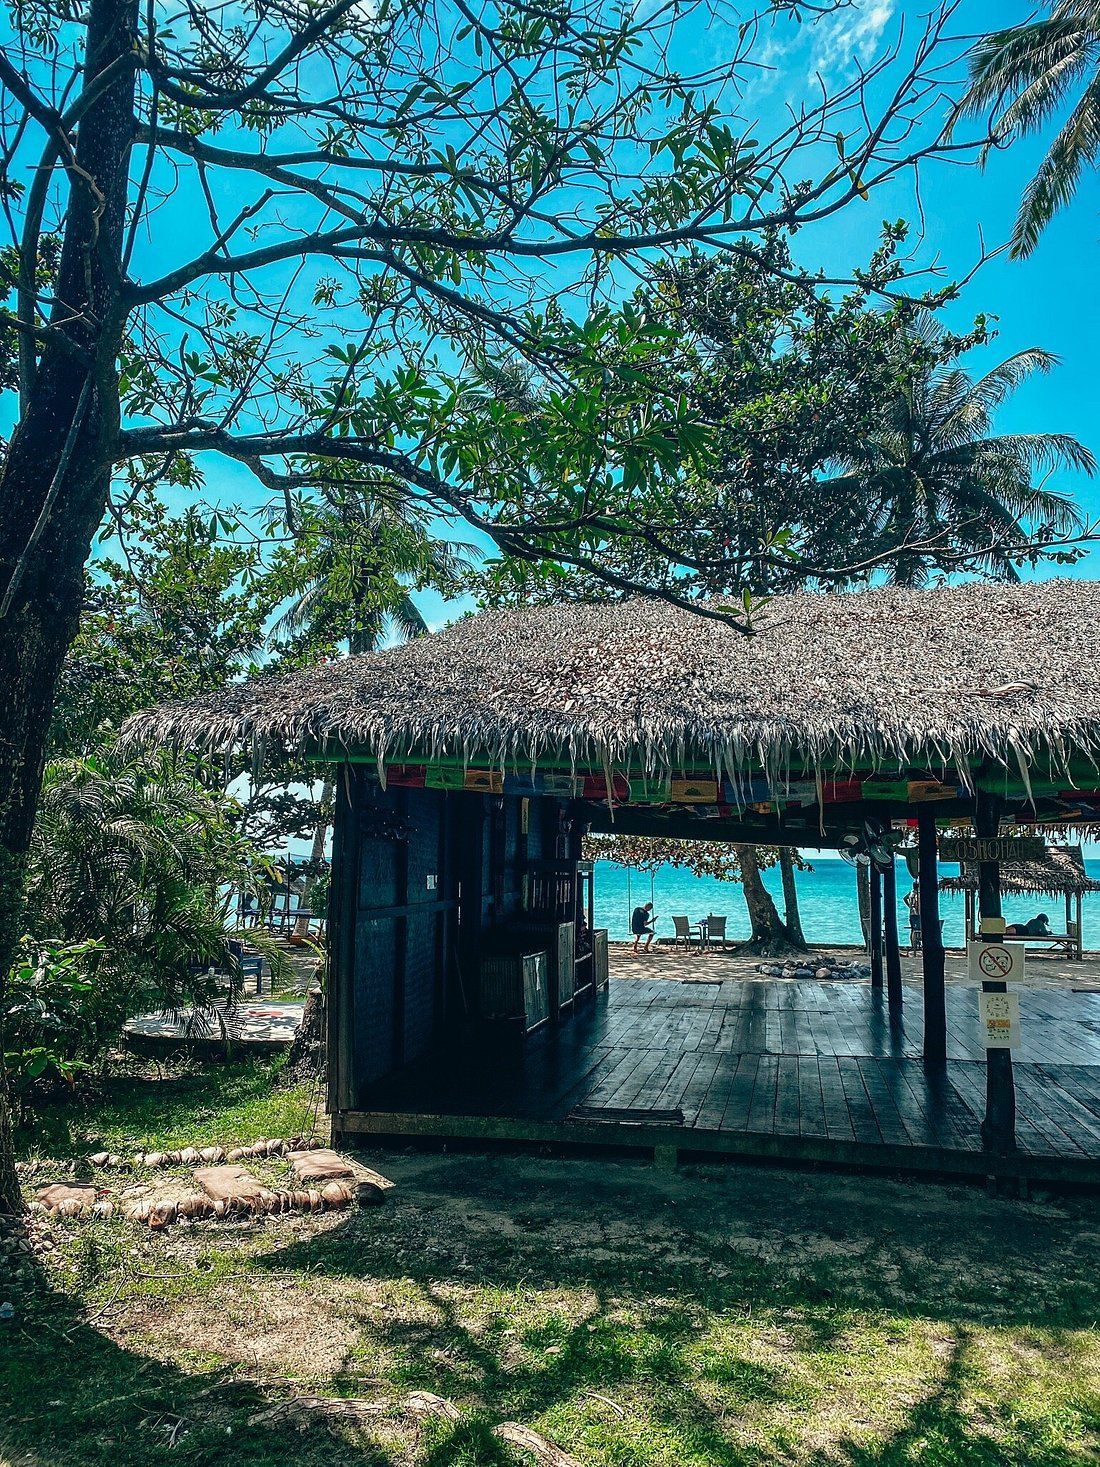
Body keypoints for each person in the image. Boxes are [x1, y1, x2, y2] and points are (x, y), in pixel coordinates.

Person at [904, 881, 922, 952]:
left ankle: (913, 945)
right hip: (917, 913)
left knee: (913, 930)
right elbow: (917, 903)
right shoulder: (917, 894)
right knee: (918, 929)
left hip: (911, 913)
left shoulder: (910, 893)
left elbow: (905, 898)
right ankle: (916, 945)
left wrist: (909, 906)